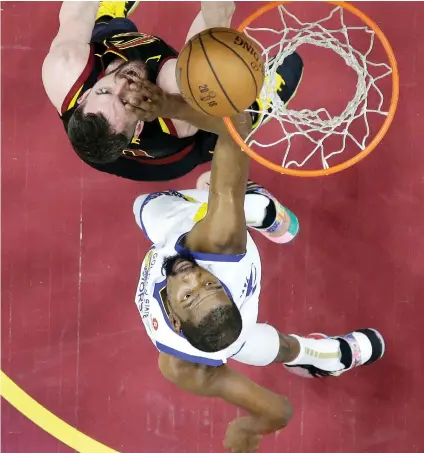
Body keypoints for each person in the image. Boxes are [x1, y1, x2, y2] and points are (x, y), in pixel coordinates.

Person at [132, 113, 385, 452]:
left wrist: (204, 109)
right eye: (206, 287)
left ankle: (262, 211)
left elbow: (231, 149)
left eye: (195, 292)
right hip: (234, 280)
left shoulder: (180, 358)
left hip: (190, 240)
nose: (195, 276)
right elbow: (279, 410)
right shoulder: (216, 247)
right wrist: (247, 427)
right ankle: (322, 356)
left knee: (144, 207)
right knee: (275, 346)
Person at [42, 1, 303, 181]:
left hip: (105, 109)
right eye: (125, 101)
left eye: (104, 92)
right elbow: (219, 11)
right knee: (229, 116)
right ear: (139, 127)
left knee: (103, 32)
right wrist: (168, 104)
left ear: (85, 96)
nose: (123, 83)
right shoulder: (174, 116)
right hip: (179, 140)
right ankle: (254, 104)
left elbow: (75, 11)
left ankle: (108, 17)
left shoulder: (64, 68)